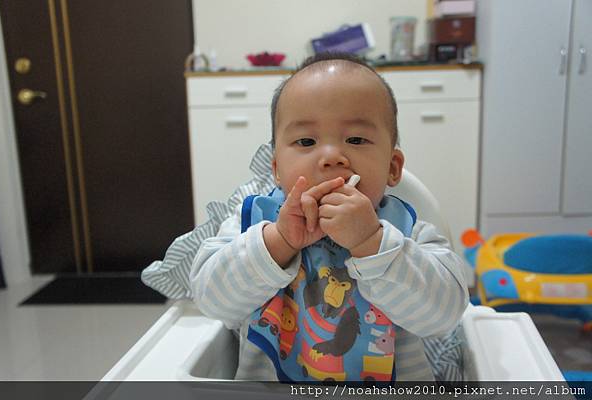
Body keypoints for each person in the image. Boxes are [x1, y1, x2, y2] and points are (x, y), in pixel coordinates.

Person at [186, 52, 468, 381]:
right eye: (306, 141)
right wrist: (279, 242)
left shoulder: (408, 232)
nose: (332, 156)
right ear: (276, 169)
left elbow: (444, 316)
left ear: (392, 168)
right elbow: (211, 301)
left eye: (356, 139)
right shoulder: (254, 221)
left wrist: (371, 242)